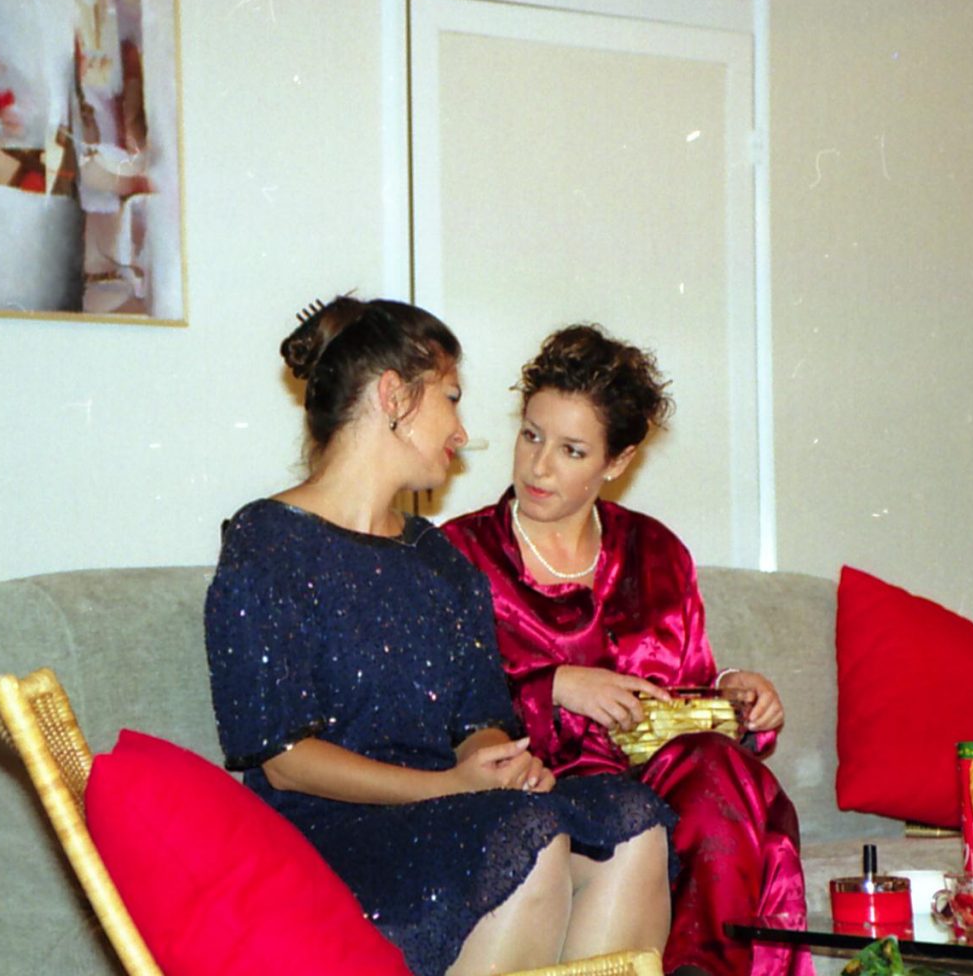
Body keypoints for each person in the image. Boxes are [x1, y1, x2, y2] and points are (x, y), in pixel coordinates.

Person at [204, 298, 675, 976]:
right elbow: (283, 758)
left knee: (633, 820)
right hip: (327, 829)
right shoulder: (269, 540)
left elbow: (479, 720)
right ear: (394, 397)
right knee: (525, 835)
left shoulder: (438, 558)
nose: (461, 431)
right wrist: (449, 787)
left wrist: (496, 764)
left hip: (449, 811)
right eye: (450, 399)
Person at [442, 325, 812, 976]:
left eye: (571, 450)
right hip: (539, 794)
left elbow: (687, 696)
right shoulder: (460, 555)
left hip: (664, 795)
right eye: (531, 435)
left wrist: (734, 696)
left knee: (719, 765)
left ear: (616, 462)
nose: (538, 467)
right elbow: (432, 710)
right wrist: (554, 686)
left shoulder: (656, 551)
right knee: (657, 810)